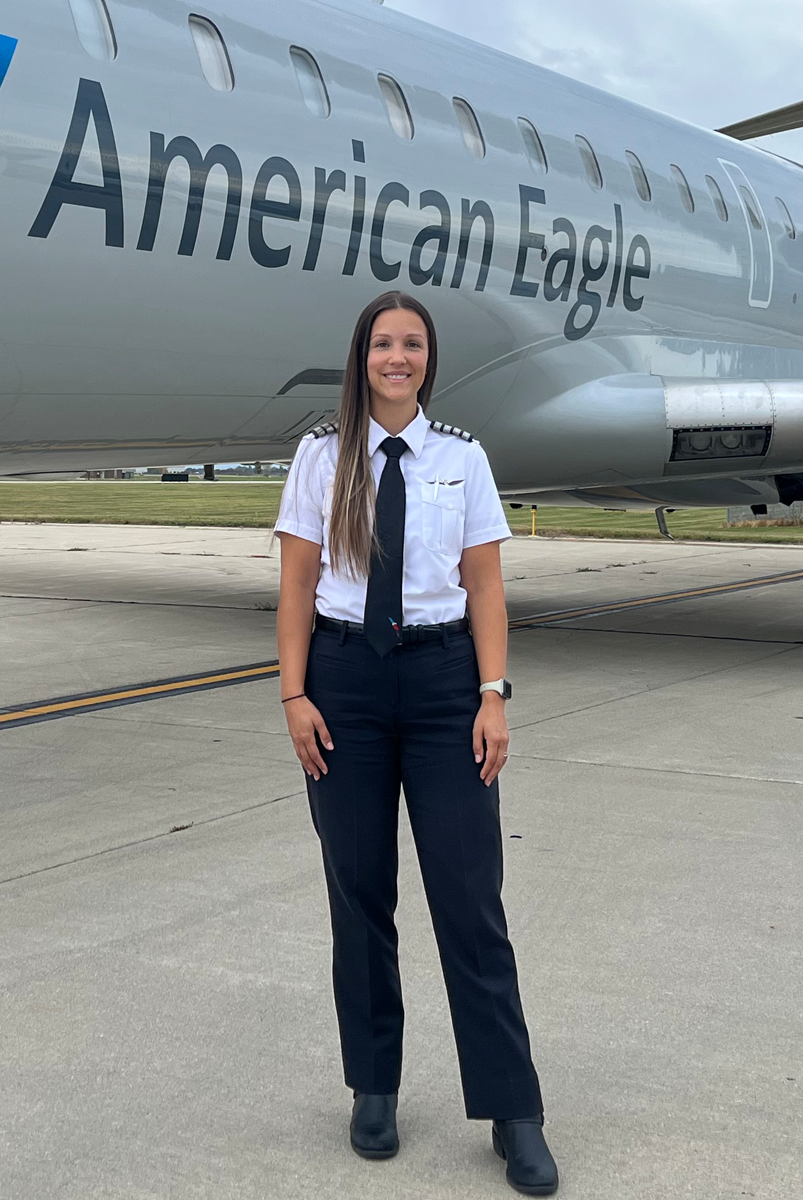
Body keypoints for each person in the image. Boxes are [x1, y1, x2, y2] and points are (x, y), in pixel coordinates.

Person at [273, 291, 557, 1196]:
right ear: (362, 356)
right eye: (384, 343)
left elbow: (486, 590)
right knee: (359, 897)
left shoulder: (462, 458)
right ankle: (374, 1087)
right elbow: (294, 588)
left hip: (443, 688)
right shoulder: (321, 458)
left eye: (413, 345)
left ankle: (514, 1111)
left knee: (471, 899)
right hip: (345, 685)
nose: (398, 358)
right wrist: (293, 696)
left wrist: (492, 697)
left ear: (428, 361)